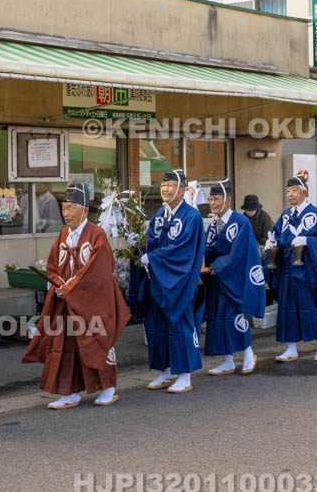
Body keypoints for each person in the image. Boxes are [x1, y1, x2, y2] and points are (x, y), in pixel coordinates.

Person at [21, 184, 130, 408]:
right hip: (67, 299)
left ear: (85, 210)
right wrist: (59, 284)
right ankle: (69, 392)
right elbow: (53, 266)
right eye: (63, 209)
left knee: (97, 340)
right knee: (65, 343)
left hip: (93, 300)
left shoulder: (96, 234)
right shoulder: (63, 234)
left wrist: (70, 287)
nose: (66, 214)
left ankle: (108, 387)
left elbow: (97, 271)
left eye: (70, 208)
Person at [136, 169, 205, 393]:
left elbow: (183, 251)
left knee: (180, 325)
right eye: (163, 185)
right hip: (159, 280)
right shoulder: (160, 214)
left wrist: (153, 258)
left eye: (170, 185)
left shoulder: (191, 216)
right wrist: (139, 247)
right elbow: (153, 243)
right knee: (157, 326)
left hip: (180, 281)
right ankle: (165, 371)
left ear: (183, 190)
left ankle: (185, 374)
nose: (165, 189)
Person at [265, 176, 317, 362]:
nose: (290, 194)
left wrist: (308, 241)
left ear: (304, 192)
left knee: (313, 308)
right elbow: (276, 235)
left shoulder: (314, 213)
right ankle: (291, 348)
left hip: (309, 270)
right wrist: (271, 242)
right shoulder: (285, 215)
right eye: (288, 191)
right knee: (288, 309)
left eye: (294, 190)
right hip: (288, 270)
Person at [202, 179, 264, 376]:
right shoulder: (214, 223)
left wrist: (217, 266)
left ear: (227, 200)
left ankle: (248, 354)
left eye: (217, 199)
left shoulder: (241, 222)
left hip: (234, 279)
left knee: (235, 318)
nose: (213, 203)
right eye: (211, 199)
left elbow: (240, 254)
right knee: (218, 319)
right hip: (218, 279)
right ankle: (227, 360)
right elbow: (208, 248)